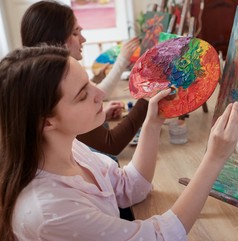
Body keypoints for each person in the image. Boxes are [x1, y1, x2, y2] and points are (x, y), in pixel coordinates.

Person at [0, 45, 238, 241]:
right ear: (46, 123)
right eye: (83, 95)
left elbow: (130, 186)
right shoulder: (50, 213)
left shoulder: (70, 147)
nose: (100, 94)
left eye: (90, 83)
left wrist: (152, 123)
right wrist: (214, 158)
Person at [20, 0, 147, 155]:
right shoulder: (51, 86)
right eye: (75, 33)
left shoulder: (38, 77)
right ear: (54, 41)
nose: (83, 39)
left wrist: (99, 116)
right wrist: (146, 100)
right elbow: (111, 144)